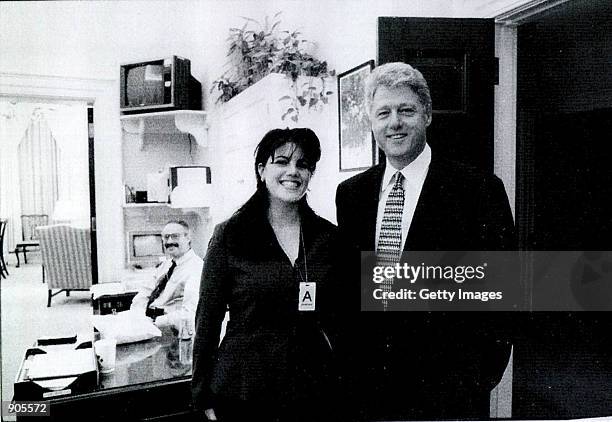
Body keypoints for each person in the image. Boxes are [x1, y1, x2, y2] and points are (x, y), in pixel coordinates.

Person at [335, 62, 516, 420]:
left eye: (406, 110)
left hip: (448, 394)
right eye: (383, 113)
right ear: (371, 122)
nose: (394, 123)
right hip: (369, 392)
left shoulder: (478, 191)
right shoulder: (351, 195)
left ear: (427, 114)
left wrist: (475, 379)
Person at [191, 128, 339, 422]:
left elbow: (339, 316)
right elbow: (207, 320)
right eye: (282, 162)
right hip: (244, 389)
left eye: (303, 164)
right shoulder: (230, 235)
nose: (293, 171)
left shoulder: (327, 237)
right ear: (261, 170)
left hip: (311, 390)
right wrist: (201, 393)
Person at [130, 220, 203, 331]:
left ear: (188, 238)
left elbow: (189, 313)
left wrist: (154, 322)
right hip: (147, 323)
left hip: (169, 328)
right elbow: (145, 292)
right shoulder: (167, 265)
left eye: (175, 236)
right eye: (166, 237)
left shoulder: (196, 268)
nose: (169, 241)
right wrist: (138, 316)